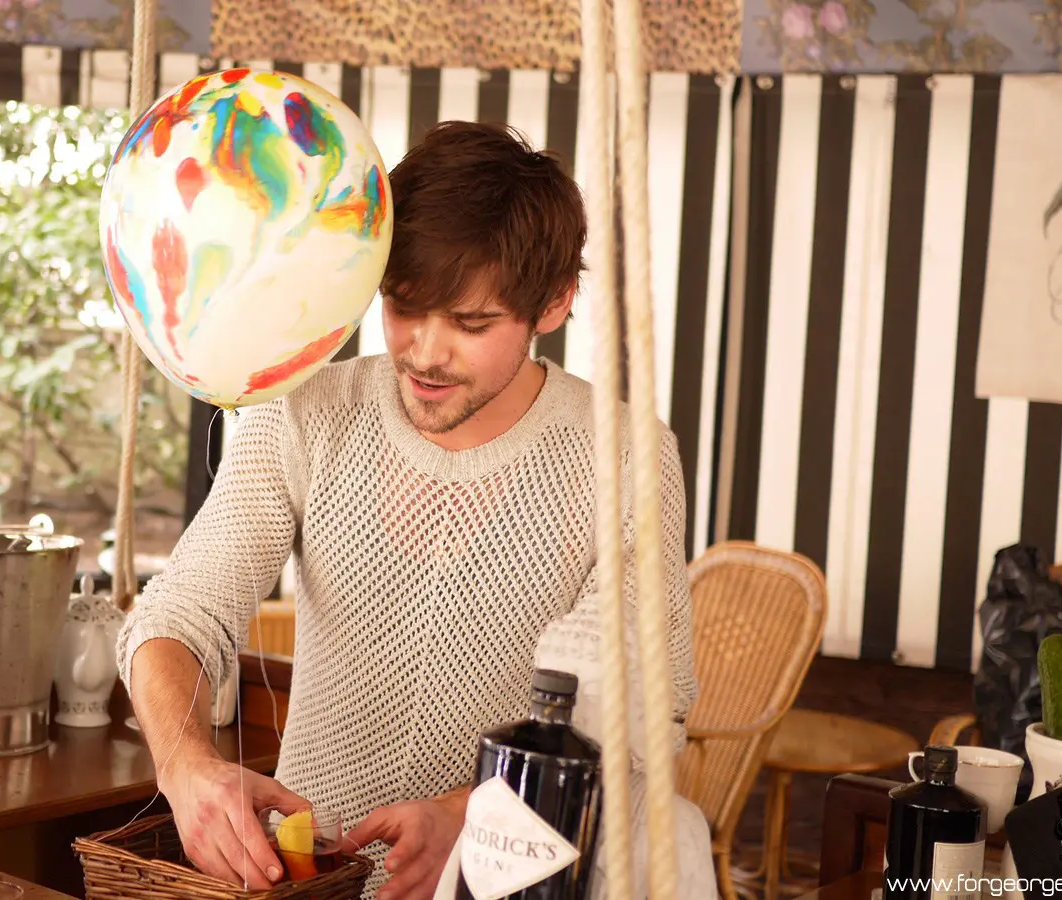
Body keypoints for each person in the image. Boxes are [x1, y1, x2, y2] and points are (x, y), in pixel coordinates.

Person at [115, 120, 714, 900]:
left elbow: (643, 718)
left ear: (555, 303)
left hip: (500, 883)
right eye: (403, 307)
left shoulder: (627, 456)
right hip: (306, 882)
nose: (426, 352)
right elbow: (179, 613)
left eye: (471, 323)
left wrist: (468, 814)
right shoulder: (305, 409)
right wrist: (185, 765)